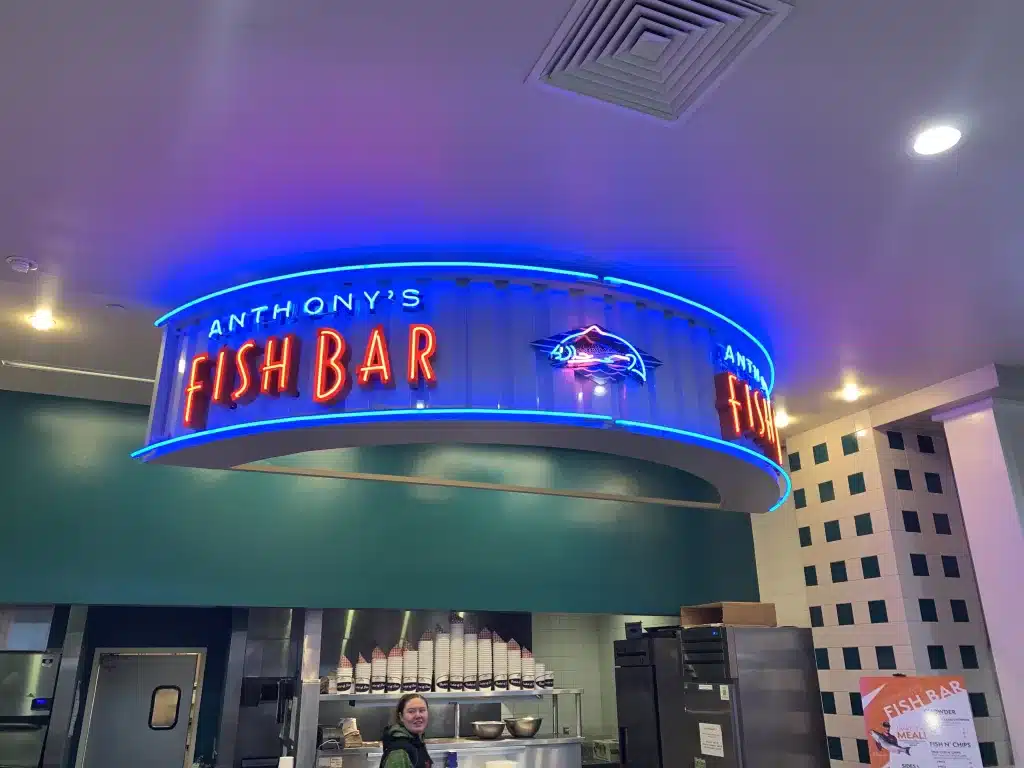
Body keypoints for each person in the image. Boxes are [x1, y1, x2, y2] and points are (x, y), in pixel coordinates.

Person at [380, 693, 433, 768]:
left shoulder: (416, 741)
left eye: (422, 710)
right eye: (411, 711)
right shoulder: (399, 751)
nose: (418, 715)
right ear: (401, 716)